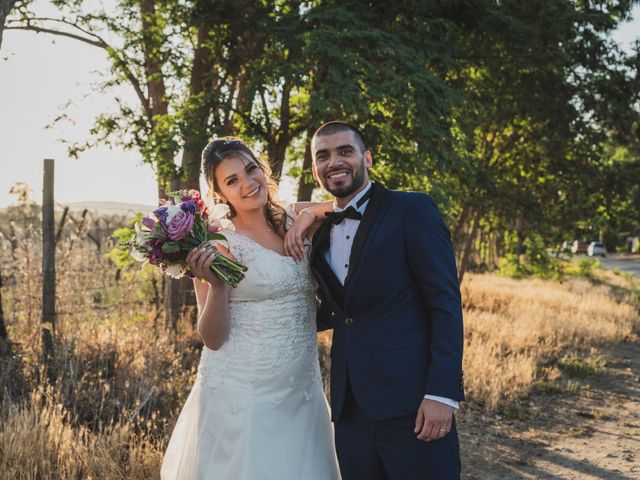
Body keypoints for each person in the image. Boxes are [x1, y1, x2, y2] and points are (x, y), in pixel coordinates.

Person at [285, 121, 465, 479]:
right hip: (350, 410)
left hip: (412, 404)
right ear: (314, 168)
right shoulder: (318, 234)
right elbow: (340, 310)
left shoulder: (411, 210)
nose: (334, 161)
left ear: (367, 157)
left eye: (345, 151)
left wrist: (442, 394)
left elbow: (444, 303)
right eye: (323, 156)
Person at [160, 137, 340, 480]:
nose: (247, 183)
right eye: (232, 181)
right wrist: (218, 284)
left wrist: (307, 218)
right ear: (219, 195)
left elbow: (351, 203)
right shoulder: (215, 243)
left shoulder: (293, 216)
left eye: (250, 169)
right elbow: (212, 338)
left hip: (301, 387)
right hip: (244, 392)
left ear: (263, 170)